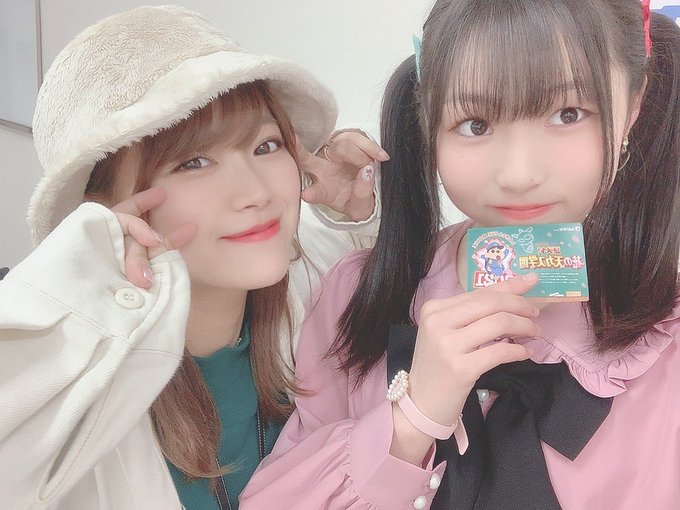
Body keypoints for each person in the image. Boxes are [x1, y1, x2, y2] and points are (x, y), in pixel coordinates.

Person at [241, 1, 680, 508]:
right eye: (475, 124)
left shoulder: (667, 330)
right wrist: (413, 418)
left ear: (634, 106)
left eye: (568, 114)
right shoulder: (355, 294)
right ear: (430, 120)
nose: (518, 173)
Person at [0, 5, 388, 510]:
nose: (256, 192)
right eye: (194, 162)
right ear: (102, 211)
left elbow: (350, 263)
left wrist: (348, 213)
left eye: (266, 146)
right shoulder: (69, 393)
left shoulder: (305, 303)